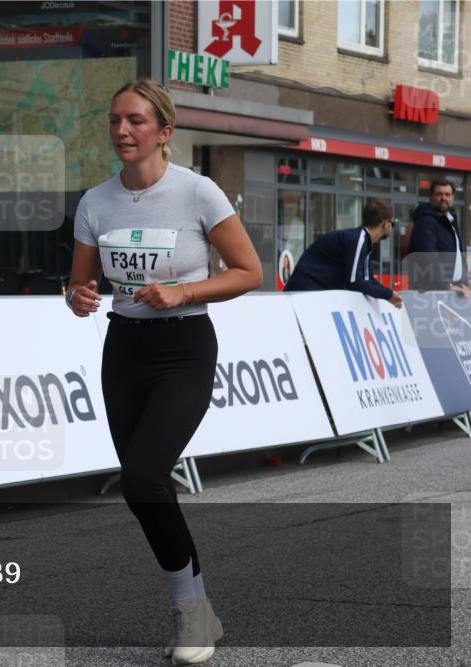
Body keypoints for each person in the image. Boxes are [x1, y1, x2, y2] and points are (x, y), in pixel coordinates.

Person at [66, 80, 262, 665]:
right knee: (145, 486)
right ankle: (199, 607)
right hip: (123, 349)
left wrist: (184, 291)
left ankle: (189, 612)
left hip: (184, 348)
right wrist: (77, 297)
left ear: (164, 131)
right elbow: (79, 284)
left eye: (136, 121)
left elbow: (248, 271)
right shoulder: (95, 202)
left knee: (142, 479)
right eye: (114, 120)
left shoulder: (198, 192)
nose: (122, 131)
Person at [284, 198, 404, 308]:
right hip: (304, 291)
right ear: (386, 224)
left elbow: (368, 279)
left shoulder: (364, 240)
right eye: (392, 223)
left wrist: (390, 294)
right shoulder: (359, 239)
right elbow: (354, 282)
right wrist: (388, 295)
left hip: (311, 291)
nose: (392, 228)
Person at [406, 180, 469, 296]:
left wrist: (464, 282)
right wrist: (447, 286)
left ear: (453, 198)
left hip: (453, 290)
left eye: (447, 194)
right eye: (439, 194)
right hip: (431, 292)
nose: (443, 198)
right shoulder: (426, 221)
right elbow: (428, 256)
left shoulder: (450, 221)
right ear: (431, 197)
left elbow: (459, 255)